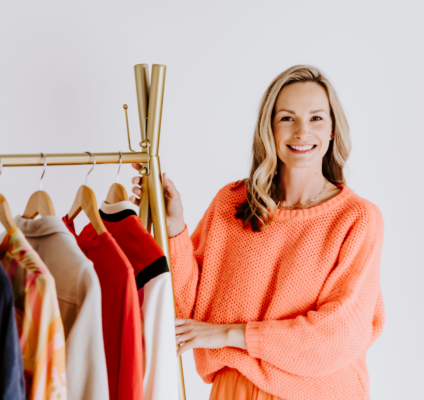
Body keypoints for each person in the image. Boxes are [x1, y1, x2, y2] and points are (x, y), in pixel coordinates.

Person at [130, 65, 384, 400]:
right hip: (233, 390)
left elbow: (337, 336)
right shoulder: (232, 203)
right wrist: (174, 226)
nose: (302, 132)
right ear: (270, 127)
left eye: (317, 118)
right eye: (287, 118)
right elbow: (184, 313)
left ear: (334, 129)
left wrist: (227, 335)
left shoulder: (357, 219)